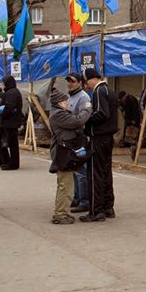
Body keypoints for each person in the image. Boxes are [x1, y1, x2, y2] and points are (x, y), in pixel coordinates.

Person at [81, 67, 118, 222]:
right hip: (108, 137)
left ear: (92, 79)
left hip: (99, 137)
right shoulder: (110, 90)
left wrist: (85, 119)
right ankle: (108, 206)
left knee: (95, 174)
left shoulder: (98, 91)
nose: (86, 86)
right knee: (105, 172)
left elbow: (102, 113)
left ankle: (96, 210)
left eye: (86, 82)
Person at [48, 88, 88, 225]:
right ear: (59, 102)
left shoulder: (59, 113)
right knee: (65, 185)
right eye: (65, 101)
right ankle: (60, 214)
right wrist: (87, 109)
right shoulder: (58, 115)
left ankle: (62, 211)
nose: (68, 103)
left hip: (63, 152)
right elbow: (76, 121)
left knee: (65, 184)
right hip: (62, 153)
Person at [65, 72, 92, 215]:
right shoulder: (70, 96)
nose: (69, 83)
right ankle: (76, 197)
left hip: (79, 137)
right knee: (74, 170)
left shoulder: (83, 98)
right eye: (68, 81)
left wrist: (71, 122)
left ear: (80, 82)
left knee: (81, 171)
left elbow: (83, 117)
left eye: (73, 81)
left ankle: (85, 201)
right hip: (72, 138)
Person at [0, 75, 23, 170]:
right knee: (12, 143)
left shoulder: (11, 93)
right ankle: (11, 162)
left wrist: (3, 114)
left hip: (10, 122)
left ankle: (13, 163)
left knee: (11, 144)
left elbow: (9, 107)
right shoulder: (12, 92)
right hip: (11, 121)